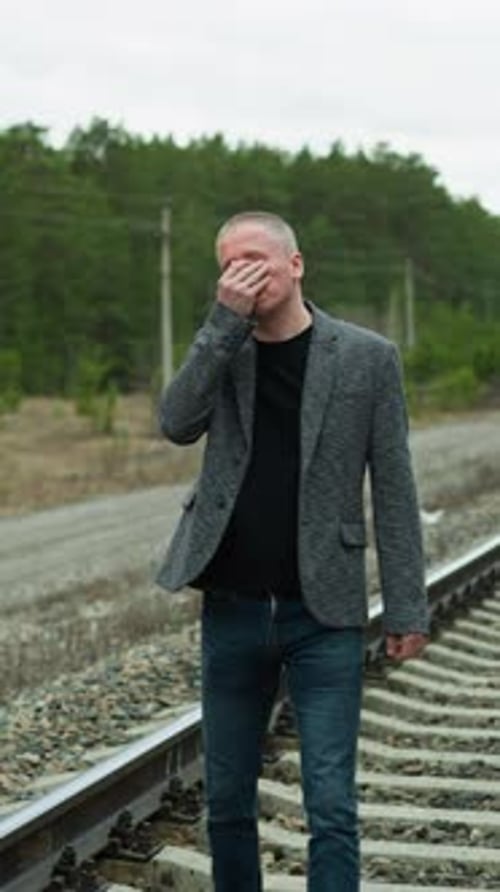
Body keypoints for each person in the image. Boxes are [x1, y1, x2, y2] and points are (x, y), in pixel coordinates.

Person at [155, 211, 429, 892]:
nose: (243, 272)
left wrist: (407, 607)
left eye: (257, 259)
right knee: (226, 802)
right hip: (233, 608)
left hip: (325, 612)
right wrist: (222, 325)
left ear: (296, 265)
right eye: (229, 263)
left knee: (331, 805)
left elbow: (394, 485)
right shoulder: (223, 350)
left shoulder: (367, 357)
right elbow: (175, 423)